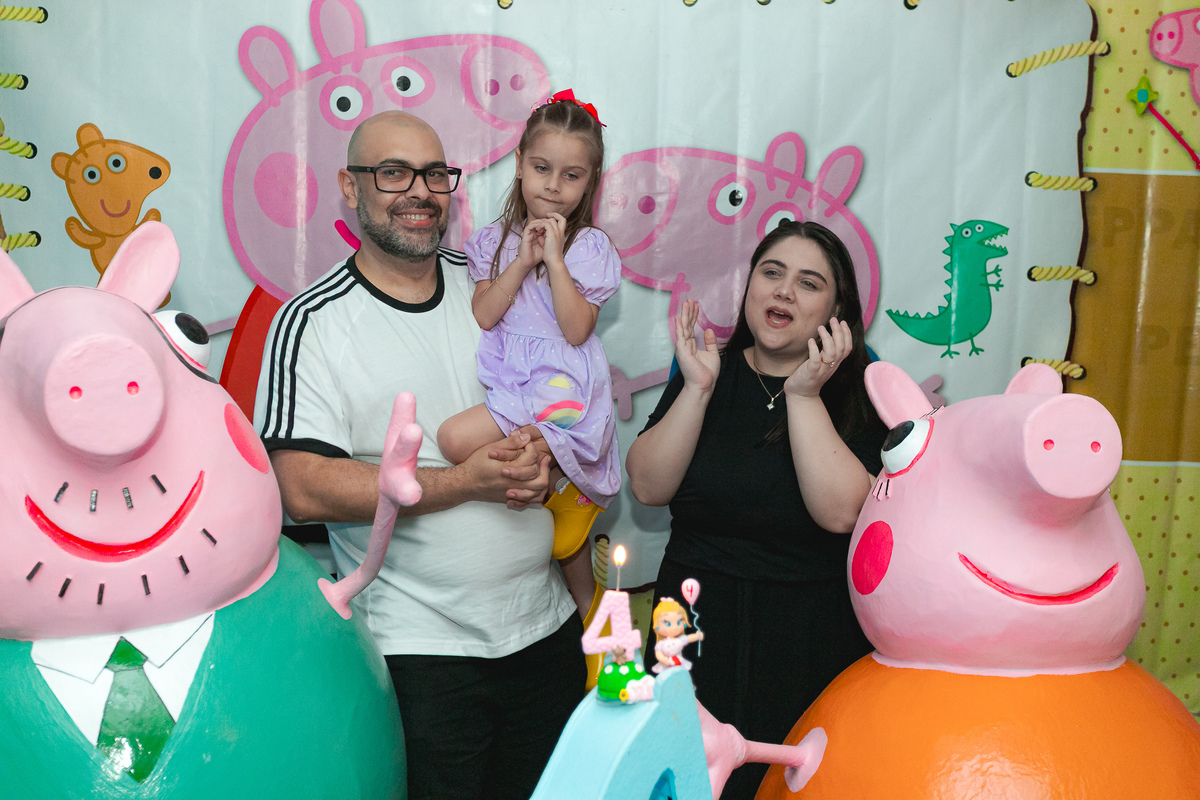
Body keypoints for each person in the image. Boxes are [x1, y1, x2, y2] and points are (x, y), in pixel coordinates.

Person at [254, 110, 584, 800]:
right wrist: (462, 483)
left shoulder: (497, 282)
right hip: (421, 658)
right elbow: (299, 488)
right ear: (351, 186)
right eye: (393, 172)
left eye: (435, 174)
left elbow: (570, 391)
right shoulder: (311, 322)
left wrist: (551, 455)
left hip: (545, 632)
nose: (419, 191)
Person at [624, 219, 886, 799]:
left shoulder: (862, 388)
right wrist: (697, 389)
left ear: (837, 312)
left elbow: (844, 514)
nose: (784, 291)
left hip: (808, 642)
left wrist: (804, 394)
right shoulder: (706, 370)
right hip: (689, 632)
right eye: (772, 273)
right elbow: (646, 486)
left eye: (809, 282)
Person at [437, 90, 621, 615]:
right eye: (542, 168)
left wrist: (555, 261)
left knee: (459, 440)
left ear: (590, 181)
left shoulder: (589, 246)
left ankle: (560, 480)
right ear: (519, 163)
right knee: (460, 445)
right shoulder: (492, 242)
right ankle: (559, 486)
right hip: (517, 384)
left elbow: (577, 329)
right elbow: (484, 314)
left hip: (563, 389)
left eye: (571, 175)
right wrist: (522, 260)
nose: (554, 186)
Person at [650, 597, 704, 674]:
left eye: (679, 622)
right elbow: (658, 654)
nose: (674, 627)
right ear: (657, 625)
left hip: (679, 663)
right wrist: (665, 660)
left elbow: (688, 638)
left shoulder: (680, 640)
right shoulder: (661, 644)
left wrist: (697, 636)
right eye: (668, 623)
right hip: (666, 665)